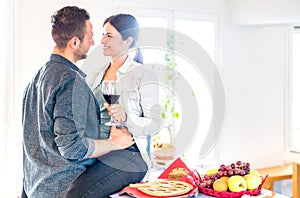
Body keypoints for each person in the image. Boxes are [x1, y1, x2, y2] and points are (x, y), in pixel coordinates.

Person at [21, 6, 140, 198]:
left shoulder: (36, 77)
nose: (95, 42)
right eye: (90, 37)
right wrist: (114, 142)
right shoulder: (69, 80)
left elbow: (31, 142)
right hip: (65, 187)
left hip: (36, 186)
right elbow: (73, 148)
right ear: (75, 42)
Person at [90, 14, 162, 171]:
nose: (102, 41)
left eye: (109, 36)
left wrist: (126, 118)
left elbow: (155, 124)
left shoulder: (143, 74)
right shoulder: (97, 74)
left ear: (127, 41)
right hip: (97, 151)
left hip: (127, 153)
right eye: (103, 35)